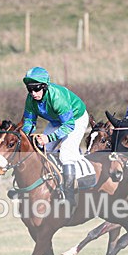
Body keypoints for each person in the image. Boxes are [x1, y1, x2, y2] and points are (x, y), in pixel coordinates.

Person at [21, 66, 90, 210]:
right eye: (30, 89)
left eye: (36, 89)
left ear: (45, 87)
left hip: (76, 120)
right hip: (56, 121)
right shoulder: (30, 99)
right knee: (42, 150)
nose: (33, 93)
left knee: (65, 154)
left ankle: (70, 197)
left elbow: (69, 125)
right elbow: (29, 122)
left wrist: (48, 138)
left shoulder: (57, 97)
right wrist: (26, 136)